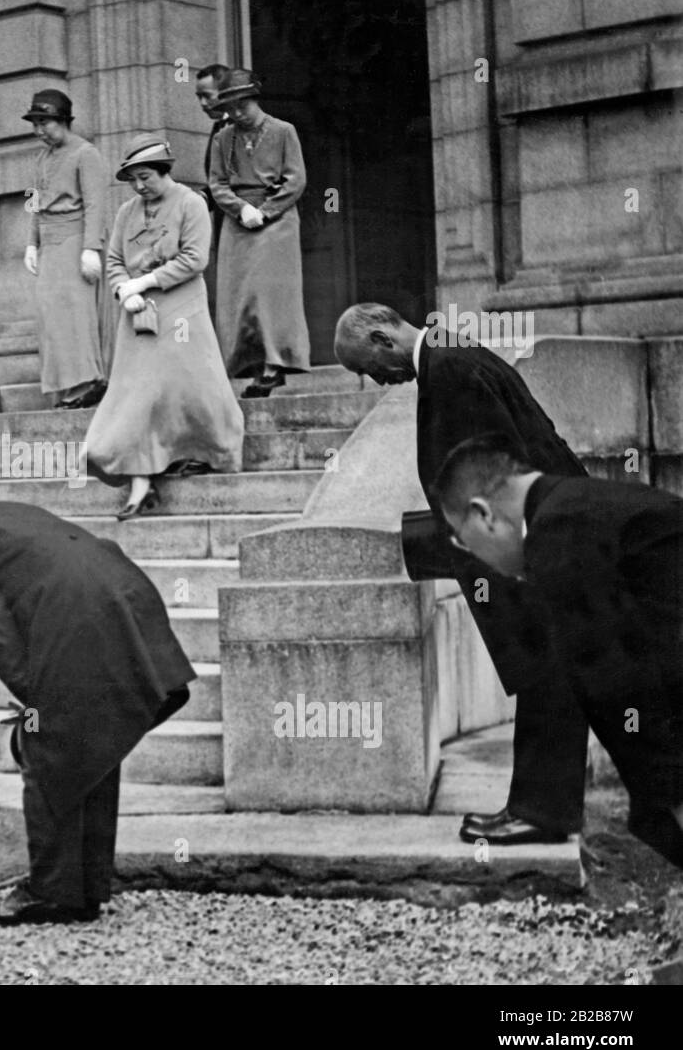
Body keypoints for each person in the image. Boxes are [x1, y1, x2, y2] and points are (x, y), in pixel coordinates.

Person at [333, 302, 590, 846]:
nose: (372, 379)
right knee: (555, 673)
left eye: (366, 365)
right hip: (543, 534)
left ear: (382, 338)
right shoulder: (455, 358)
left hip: (532, 544)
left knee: (549, 674)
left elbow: (496, 474)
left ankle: (541, 812)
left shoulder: (451, 372)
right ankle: (546, 808)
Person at [0, 502, 195, 923]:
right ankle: (83, 889)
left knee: (45, 749)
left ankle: (51, 893)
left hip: (76, 608)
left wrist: (32, 695)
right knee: (90, 749)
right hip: (118, 587)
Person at [433, 435, 683, 868]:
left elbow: (618, 688)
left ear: (483, 514)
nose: (473, 557)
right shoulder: (575, 503)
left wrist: (668, 804)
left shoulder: (557, 538)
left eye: (462, 540)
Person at [84, 133, 244, 520]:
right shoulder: (126, 212)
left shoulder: (192, 203)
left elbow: (194, 258)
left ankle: (210, 450)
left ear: (163, 171)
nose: (140, 186)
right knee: (137, 392)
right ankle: (141, 481)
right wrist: (124, 288)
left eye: (146, 177)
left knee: (193, 381)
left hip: (180, 307)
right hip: (138, 314)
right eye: (133, 179)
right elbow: (115, 259)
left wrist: (146, 282)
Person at [209, 68, 310, 396]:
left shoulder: (283, 131)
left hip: (276, 220)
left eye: (243, 105)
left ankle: (273, 366)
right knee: (238, 296)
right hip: (238, 220)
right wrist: (240, 209)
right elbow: (216, 183)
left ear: (255, 99)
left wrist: (264, 211)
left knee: (268, 294)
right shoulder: (223, 137)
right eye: (231, 108)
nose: (237, 113)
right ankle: (248, 364)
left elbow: (296, 179)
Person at [21, 89, 110, 409]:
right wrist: (32, 243)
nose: (39, 130)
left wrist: (91, 247)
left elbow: (96, 203)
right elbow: (35, 203)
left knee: (75, 314)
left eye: (45, 122)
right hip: (50, 244)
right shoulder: (42, 158)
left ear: (63, 120)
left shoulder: (85, 153)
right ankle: (66, 386)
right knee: (51, 317)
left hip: (74, 240)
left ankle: (87, 382)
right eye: (35, 123)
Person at [195, 63, 232, 323]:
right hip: (225, 223)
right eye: (199, 96)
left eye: (206, 95)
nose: (202, 103)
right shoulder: (219, 127)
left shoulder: (236, 129)